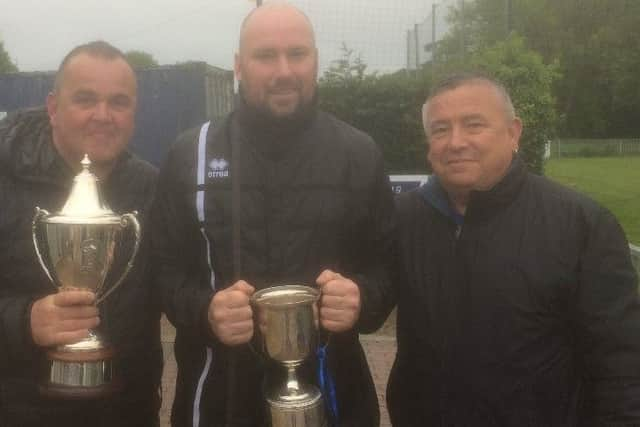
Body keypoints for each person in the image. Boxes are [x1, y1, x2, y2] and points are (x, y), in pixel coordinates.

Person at [151, 2, 395, 426]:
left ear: (315, 61)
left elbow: (389, 266)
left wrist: (362, 297)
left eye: (297, 54)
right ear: (239, 65)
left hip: (335, 394)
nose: (283, 70)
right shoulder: (192, 153)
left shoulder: (359, 153)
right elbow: (162, 269)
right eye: (266, 56)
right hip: (218, 399)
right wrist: (206, 310)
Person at [387, 72, 640, 426]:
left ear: (513, 132)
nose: (455, 142)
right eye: (440, 129)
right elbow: (371, 295)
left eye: (473, 125)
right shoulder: (403, 219)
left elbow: (622, 365)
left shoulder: (582, 224)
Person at [0, 41, 163, 427]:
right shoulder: (5, 180)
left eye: (119, 102)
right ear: (54, 107)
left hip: (129, 411)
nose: (102, 115)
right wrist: (23, 321)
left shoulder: (152, 188)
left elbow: (178, 283)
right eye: (85, 99)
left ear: (133, 113)